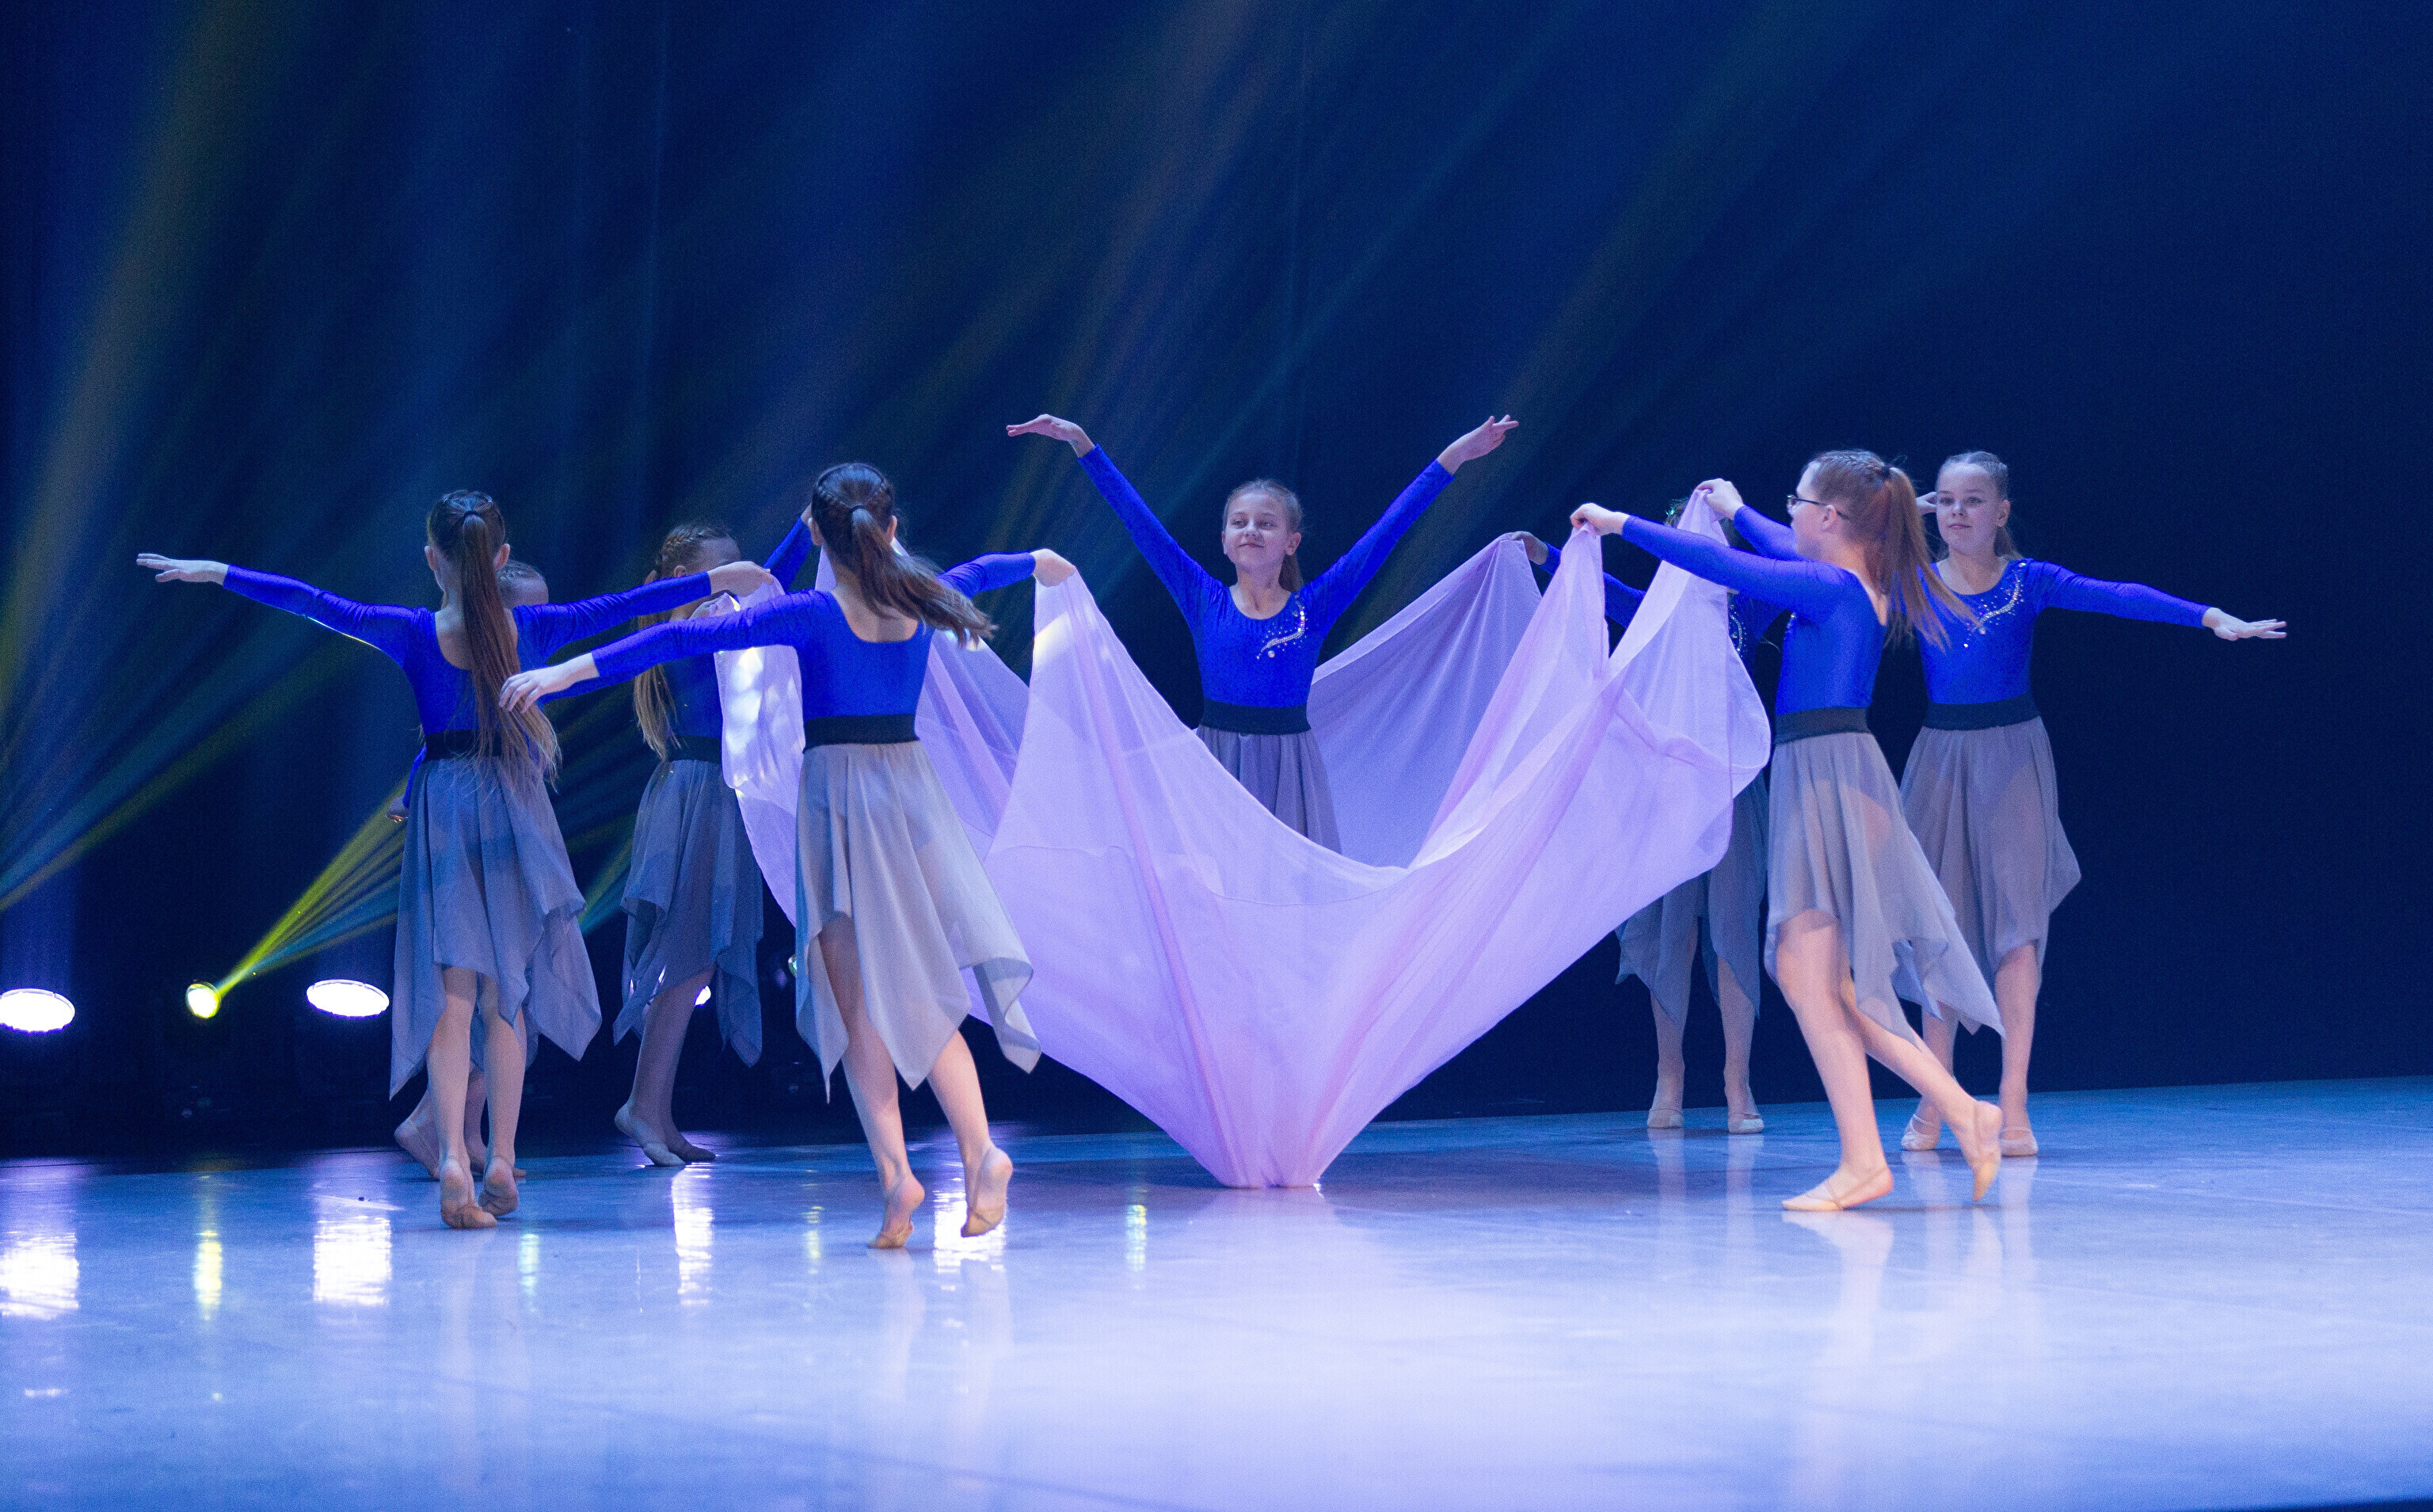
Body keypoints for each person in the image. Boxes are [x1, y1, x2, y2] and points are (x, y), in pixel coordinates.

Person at [139, 493, 775, 1228]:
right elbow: (636, 602)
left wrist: (217, 571)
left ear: (432, 560)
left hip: (444, 807)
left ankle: (451, 1158)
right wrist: (727, 579)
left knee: (455, 994)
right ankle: (499, 1157)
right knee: (509, 992)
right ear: (500, 560)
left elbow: (313, 602)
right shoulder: (535, 627)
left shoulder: (413, 631)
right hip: (511, 808)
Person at [504, 464, 1063, 1247]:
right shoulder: (923, 595)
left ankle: (900, 1175)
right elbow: (989, 567)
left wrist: (567, 669)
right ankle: (975, 1152)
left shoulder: (812, 613)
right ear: (890, 529)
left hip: (842, 803)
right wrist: (1040, 561)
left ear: (818, 538)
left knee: (856, 1004)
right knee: (919, 988)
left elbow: (682, 635)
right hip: (910, 798)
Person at [1574, 451, 2006, 1211]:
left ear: (1829, 518)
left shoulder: (1831, 586)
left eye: (1797, 503)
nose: (1791, 515)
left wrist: (1621, 525)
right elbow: (1772, 545)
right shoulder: (1851, 578)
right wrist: (1738, 509)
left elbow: (1722, 565)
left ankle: (1882, 1151)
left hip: (1828, 775)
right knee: (1823, 983)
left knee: (1813, 980)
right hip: (1826, 769)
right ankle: (1949, 1119)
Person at [1897, 451, 2283, 1156]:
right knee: (1937, 929)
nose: (1956, 512)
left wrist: (2206, 616)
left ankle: (2014, 1103)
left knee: (2018, 932)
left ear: (2002, 511)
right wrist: (1898, 506)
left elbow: (2118, 594)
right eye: (1945, 500)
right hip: (1939, 763)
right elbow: (1828, 558)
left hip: (2012, 758)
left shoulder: (2029, 580)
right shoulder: (1913, 583)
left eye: (1973, 500)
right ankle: (1936, 1098)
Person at [1007, 413, 1513, 848]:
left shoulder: (1314, 607)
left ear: (1291, 542)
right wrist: (1083, 445)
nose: (1251, 530)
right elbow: (1139, 523)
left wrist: (1454, 457)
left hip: (1289, 769)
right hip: (1215, 762)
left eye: (1266, 523)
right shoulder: (1202, 597)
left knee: (1282, 888)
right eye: (1240, 522)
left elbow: (1389, 529)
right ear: (1225, 541)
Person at [1530, 525, 1785, 1135]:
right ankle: (1669, 1074)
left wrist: (1742, 516)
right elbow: (1599, 586)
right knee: (1672, 934)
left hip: (1732, 787)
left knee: (1731, 929)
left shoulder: (1747, 605)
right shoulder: (1658, 609)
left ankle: (1737, 1080)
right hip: (1670, 793)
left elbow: (1792, 569)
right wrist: (1546, 554)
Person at [603, 515, 811, 1167]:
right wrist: (802, 533)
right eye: (724, 570)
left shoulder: (711, 621)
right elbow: (768, 583)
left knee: (695, 957)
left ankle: (657, 1111)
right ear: (683, 579)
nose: (738, 579)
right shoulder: (692, 624)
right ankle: (643, 1106)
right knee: (689, 955)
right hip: (699, 793)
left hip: (708, 789)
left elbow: (763, 586)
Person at [389, 557, 553, 1181]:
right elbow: (441, 743)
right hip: (478, 833)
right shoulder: (476, 661)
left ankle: (463, 1134)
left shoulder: (524, 669)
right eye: (527, 611)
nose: (536, 622)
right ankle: (441, 1128)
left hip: (504, 832)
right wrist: (413, 794)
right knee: (489, 990)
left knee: (503, 992)